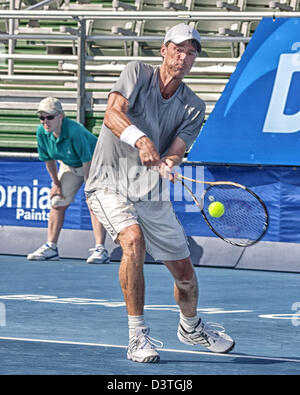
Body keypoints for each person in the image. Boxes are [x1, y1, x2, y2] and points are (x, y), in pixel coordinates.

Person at [85, 23, 235, 363]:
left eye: (191, 52)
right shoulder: (136, 72)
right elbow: (112, 114)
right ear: (164, 50)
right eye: (178, 49)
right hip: (109, 180)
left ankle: (191, 328)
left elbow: (177, 150)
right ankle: (137, 336)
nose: (184, 57)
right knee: (133, 240)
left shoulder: (194, 105)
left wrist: (167, 161)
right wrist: (141, 140)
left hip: (148, 189)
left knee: (185, 275)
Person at [27, 97, 110, 264]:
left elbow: (87, 161)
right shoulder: (41, 132)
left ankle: (101, 249)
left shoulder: (75, 131)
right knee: (57, 201)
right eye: (42, 117)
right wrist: (56, 184)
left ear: (60, 116)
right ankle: (51, 247)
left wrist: (90, 189)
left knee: (94, 203)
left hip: (96, 165)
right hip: (69, 166)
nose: (45, 121)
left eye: (49, 117)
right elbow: (48, 160)